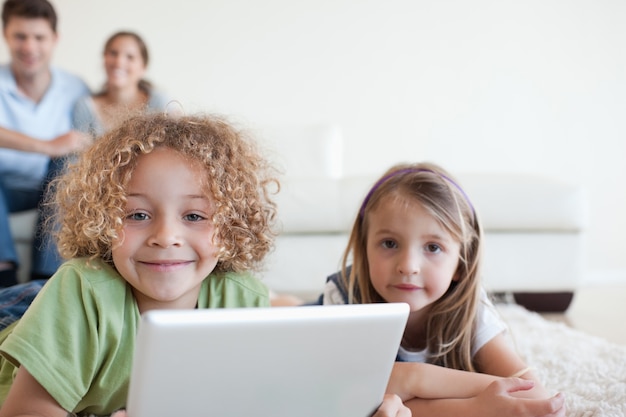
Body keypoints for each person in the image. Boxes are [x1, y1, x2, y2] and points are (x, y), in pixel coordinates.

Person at [0, 112, 406, 417]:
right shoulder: (82, 292)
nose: (166, 236)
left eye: (194, 216)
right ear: (104, 220)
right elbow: (23, 411)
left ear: (229, 229)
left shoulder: (239, 296)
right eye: (137, 215)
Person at [315, 162, 566, 416]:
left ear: (461, 262)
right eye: (389, 243)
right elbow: (344, 398)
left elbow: (535, 398)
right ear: (364, 249)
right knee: (288, 311)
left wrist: (407, 380)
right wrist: (473, 406)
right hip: (318, 310)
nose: (408, 266)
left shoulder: (471, 311)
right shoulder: (344, 299)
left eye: (433, 247)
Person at [0, 0, 91, 286]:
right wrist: (47, 145)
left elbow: (92, 134)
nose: (29, 47)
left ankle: (46, 277)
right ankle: (5, 275)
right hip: (6, 191)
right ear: (5, 35)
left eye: (39, 37)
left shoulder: (75, 87)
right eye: (20, 36)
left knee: (71, 161)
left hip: (53, 189)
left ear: (54, 39)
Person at [72, 30, 172, 138]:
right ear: (104, 58)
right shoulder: (85, 107)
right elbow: (80, 154)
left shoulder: (160, 103)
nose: (119, 62)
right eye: (113, 53)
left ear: (143, 67)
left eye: (130, 57)